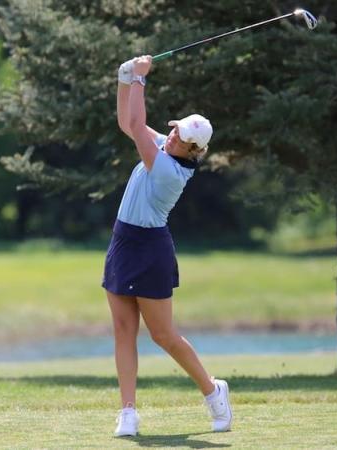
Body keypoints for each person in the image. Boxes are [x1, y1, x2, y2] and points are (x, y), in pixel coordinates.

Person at [102, 55, 233, 437]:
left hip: (151, 250)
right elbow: (129, 125)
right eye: (173, 131)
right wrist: (124, 78)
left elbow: (139, 126)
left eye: (178, 137)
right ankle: (128, 412)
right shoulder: (169, 147)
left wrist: (140, 80)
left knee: (163, 335)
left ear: (192, 150)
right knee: (123, 329)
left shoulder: (170, 170)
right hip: (123, 241)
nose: (171, 135)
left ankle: (213, 391)